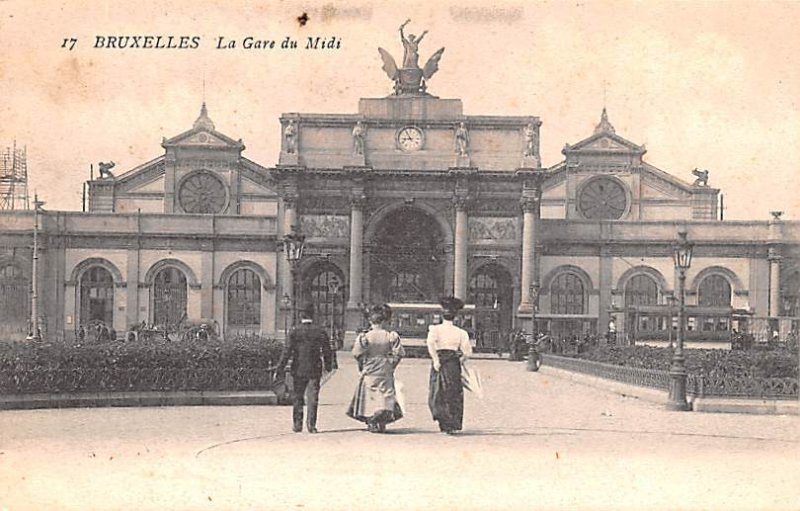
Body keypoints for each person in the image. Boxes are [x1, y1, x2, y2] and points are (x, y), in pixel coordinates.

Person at [346, 304, 405, 433]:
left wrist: (362, 364)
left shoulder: (365, 337)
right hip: (385, 366)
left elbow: (356, 353)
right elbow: (399, 353)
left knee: (369, 394)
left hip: (370, 366)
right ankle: (382, 420)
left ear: (370, 321)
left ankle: (371, 420)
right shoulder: (391, 336)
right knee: (385, 393)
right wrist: (392, 364)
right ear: (384, 321)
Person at [276, 303, 333, 433]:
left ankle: (297, 424)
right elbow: (327, 350)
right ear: (313, 315)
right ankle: (311, 425)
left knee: (298, 396)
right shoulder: (320, 331)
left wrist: (280, 368)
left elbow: (287, 351)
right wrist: (329, 365)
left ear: (300, 315)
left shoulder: (294, 331)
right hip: (314, 368)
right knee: (313, 397)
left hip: (298, 368)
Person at [427, 296, 473, 434]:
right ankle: (452, 423)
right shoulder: (461, 332)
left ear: (442, 315)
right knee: (453, 392)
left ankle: (443, 420)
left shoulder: (435, 329)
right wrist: (460, 360)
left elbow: (430, 344)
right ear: (456, 317)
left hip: (440, 362)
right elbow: (468, 352)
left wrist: (435, 359)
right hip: (453, 364)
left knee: (437, 392)